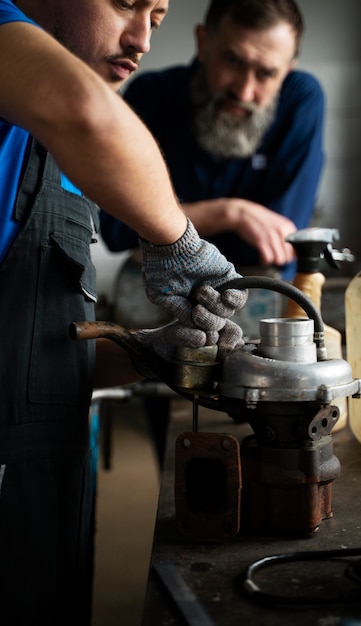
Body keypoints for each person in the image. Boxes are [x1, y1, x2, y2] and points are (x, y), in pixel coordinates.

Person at [0, 1, 246, 624]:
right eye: (126, 3)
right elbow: (85, 110)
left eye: (157, 18)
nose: (140, 39)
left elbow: (37, 363)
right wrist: (178, 242)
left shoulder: (74, 160)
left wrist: (148, 351)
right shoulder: (69, 109)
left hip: (53, 497)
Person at [100, 0, 325, 283]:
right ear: (203, 43)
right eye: (232, 61)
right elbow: (117, 229)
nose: (244, 92)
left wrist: (163, 223)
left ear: (288, 70)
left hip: (265, 296)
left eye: (266, 74)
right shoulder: (151, 95)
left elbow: (279, 242)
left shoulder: (301, 99)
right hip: (159, 298)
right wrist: (231, 214)